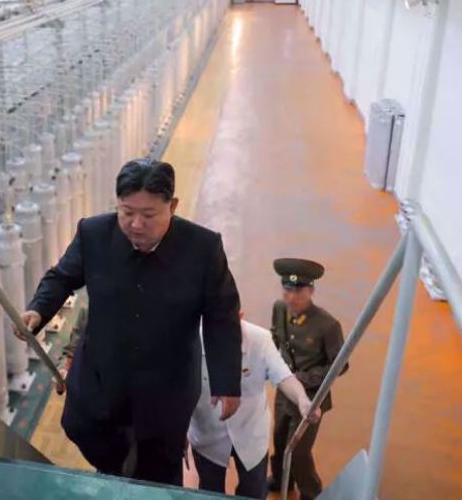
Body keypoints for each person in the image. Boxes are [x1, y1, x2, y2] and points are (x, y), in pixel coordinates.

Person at [19, 158, 242, 486]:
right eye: (126, 212)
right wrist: (38, 311)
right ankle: (116, 470)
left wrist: (226, 381)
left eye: (148, 215)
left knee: (160, 467)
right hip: (102, 376)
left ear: (173, 206)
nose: (136, 224)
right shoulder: (93, 234)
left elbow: (222, 316)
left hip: (166, 385)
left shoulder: (204, 249)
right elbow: (62, 277)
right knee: (83, 429)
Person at [188, 312, 319, 499]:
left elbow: (283, 376)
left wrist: (302, 400)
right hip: (207, 434)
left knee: (253, 491)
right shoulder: (191, 341)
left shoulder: (260, 339)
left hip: (251, 432)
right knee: (210, 491)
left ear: (240, 315)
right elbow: (178, 389)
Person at [268, 258, 347, 500]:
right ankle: (282, 479)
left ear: (311, 290)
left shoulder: (327, 325)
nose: (291, 297)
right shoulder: (279, 309)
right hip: (284, 391)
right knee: (280, 440)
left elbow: (340, 365)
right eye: (287, 290)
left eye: (298, 290)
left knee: (300, 450)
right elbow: (275, 340)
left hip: (312, 395)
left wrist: (303, 378)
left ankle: (311, 492)